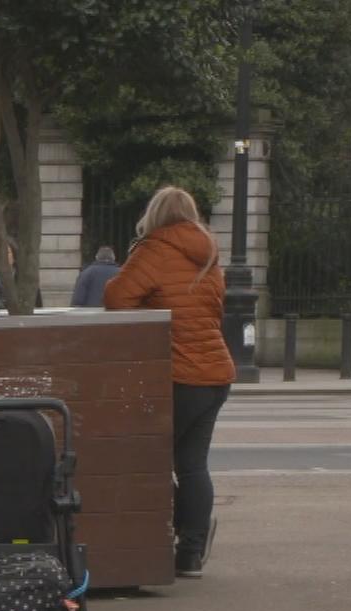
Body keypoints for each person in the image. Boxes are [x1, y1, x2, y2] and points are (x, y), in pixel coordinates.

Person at [102, 186, 233, 578]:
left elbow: (116, 298)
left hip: (179, 375)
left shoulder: (155, 250)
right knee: (192, 465)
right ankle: (190, 553)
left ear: (154, 214)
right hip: (215, 373)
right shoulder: (209, 256)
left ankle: (185, 526)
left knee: (144, 457)